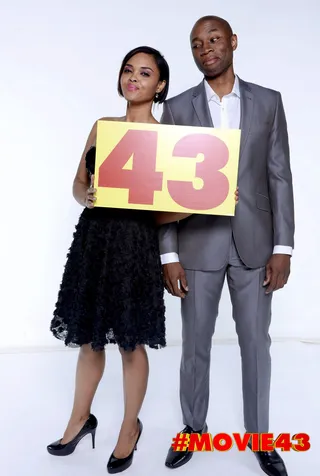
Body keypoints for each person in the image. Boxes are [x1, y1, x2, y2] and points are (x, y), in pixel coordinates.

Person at [159, 16, 294, 476]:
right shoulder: (176, 108)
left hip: (256, 245)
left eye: (214, 40)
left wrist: (284, 247)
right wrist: (168, 253)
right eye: (197, 44)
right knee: (195, 345)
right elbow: (164, 188)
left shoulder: (268, 102)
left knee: (256, 343)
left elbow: (279, 176)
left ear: (233, 42)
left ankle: (260, 437)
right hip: (196, 246)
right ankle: (193, 428)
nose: (206, 49)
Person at [46, 45, 187, 474]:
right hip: (95, 241)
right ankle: (79, 419)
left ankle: (129, 428)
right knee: (88, 336)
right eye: (129, 70)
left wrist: (201, 204)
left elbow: (167, 209)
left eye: (145, 73)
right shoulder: (102, 126)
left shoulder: (166, 140)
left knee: (130, 341)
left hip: (134, 244)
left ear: (159, 85)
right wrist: (84, 196)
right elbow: (78, 182)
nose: (134, 78)